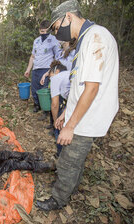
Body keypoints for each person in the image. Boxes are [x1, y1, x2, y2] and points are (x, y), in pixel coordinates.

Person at [36, 0, 119, 211]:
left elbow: (91, 88)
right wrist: (66, 113)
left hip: (86, 118)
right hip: (81, 113)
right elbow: (79, 85)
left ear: (69, 17)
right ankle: (71, 189)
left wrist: (70, 125)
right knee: (76, 162)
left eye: (56, 28)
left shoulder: (94, 38)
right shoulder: (85, 39)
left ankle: (58, 199)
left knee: (67, 162)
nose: (56, 33)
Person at [24, 20, 62, 114]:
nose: (43, 33)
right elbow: (33, 56)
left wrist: (52, 71)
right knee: (34, 89)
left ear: (49, 31)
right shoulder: (36, 41)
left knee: (45, 90)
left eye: (46, 31)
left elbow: (58, 57)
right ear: (39, 30)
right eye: (42, 31)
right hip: (36, 69)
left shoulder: (54, 40)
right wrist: (28, 69)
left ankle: (46, 110)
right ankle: (37, 105)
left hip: (46, 69)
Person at [47, 60, 70, 158]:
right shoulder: (70, 73)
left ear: (56, 71)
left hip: (72, 104)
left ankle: (61, 154)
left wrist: (56, 119)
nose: (50, 78)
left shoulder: (56, 78)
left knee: (59, 127)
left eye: (50, 75)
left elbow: (55, 104)